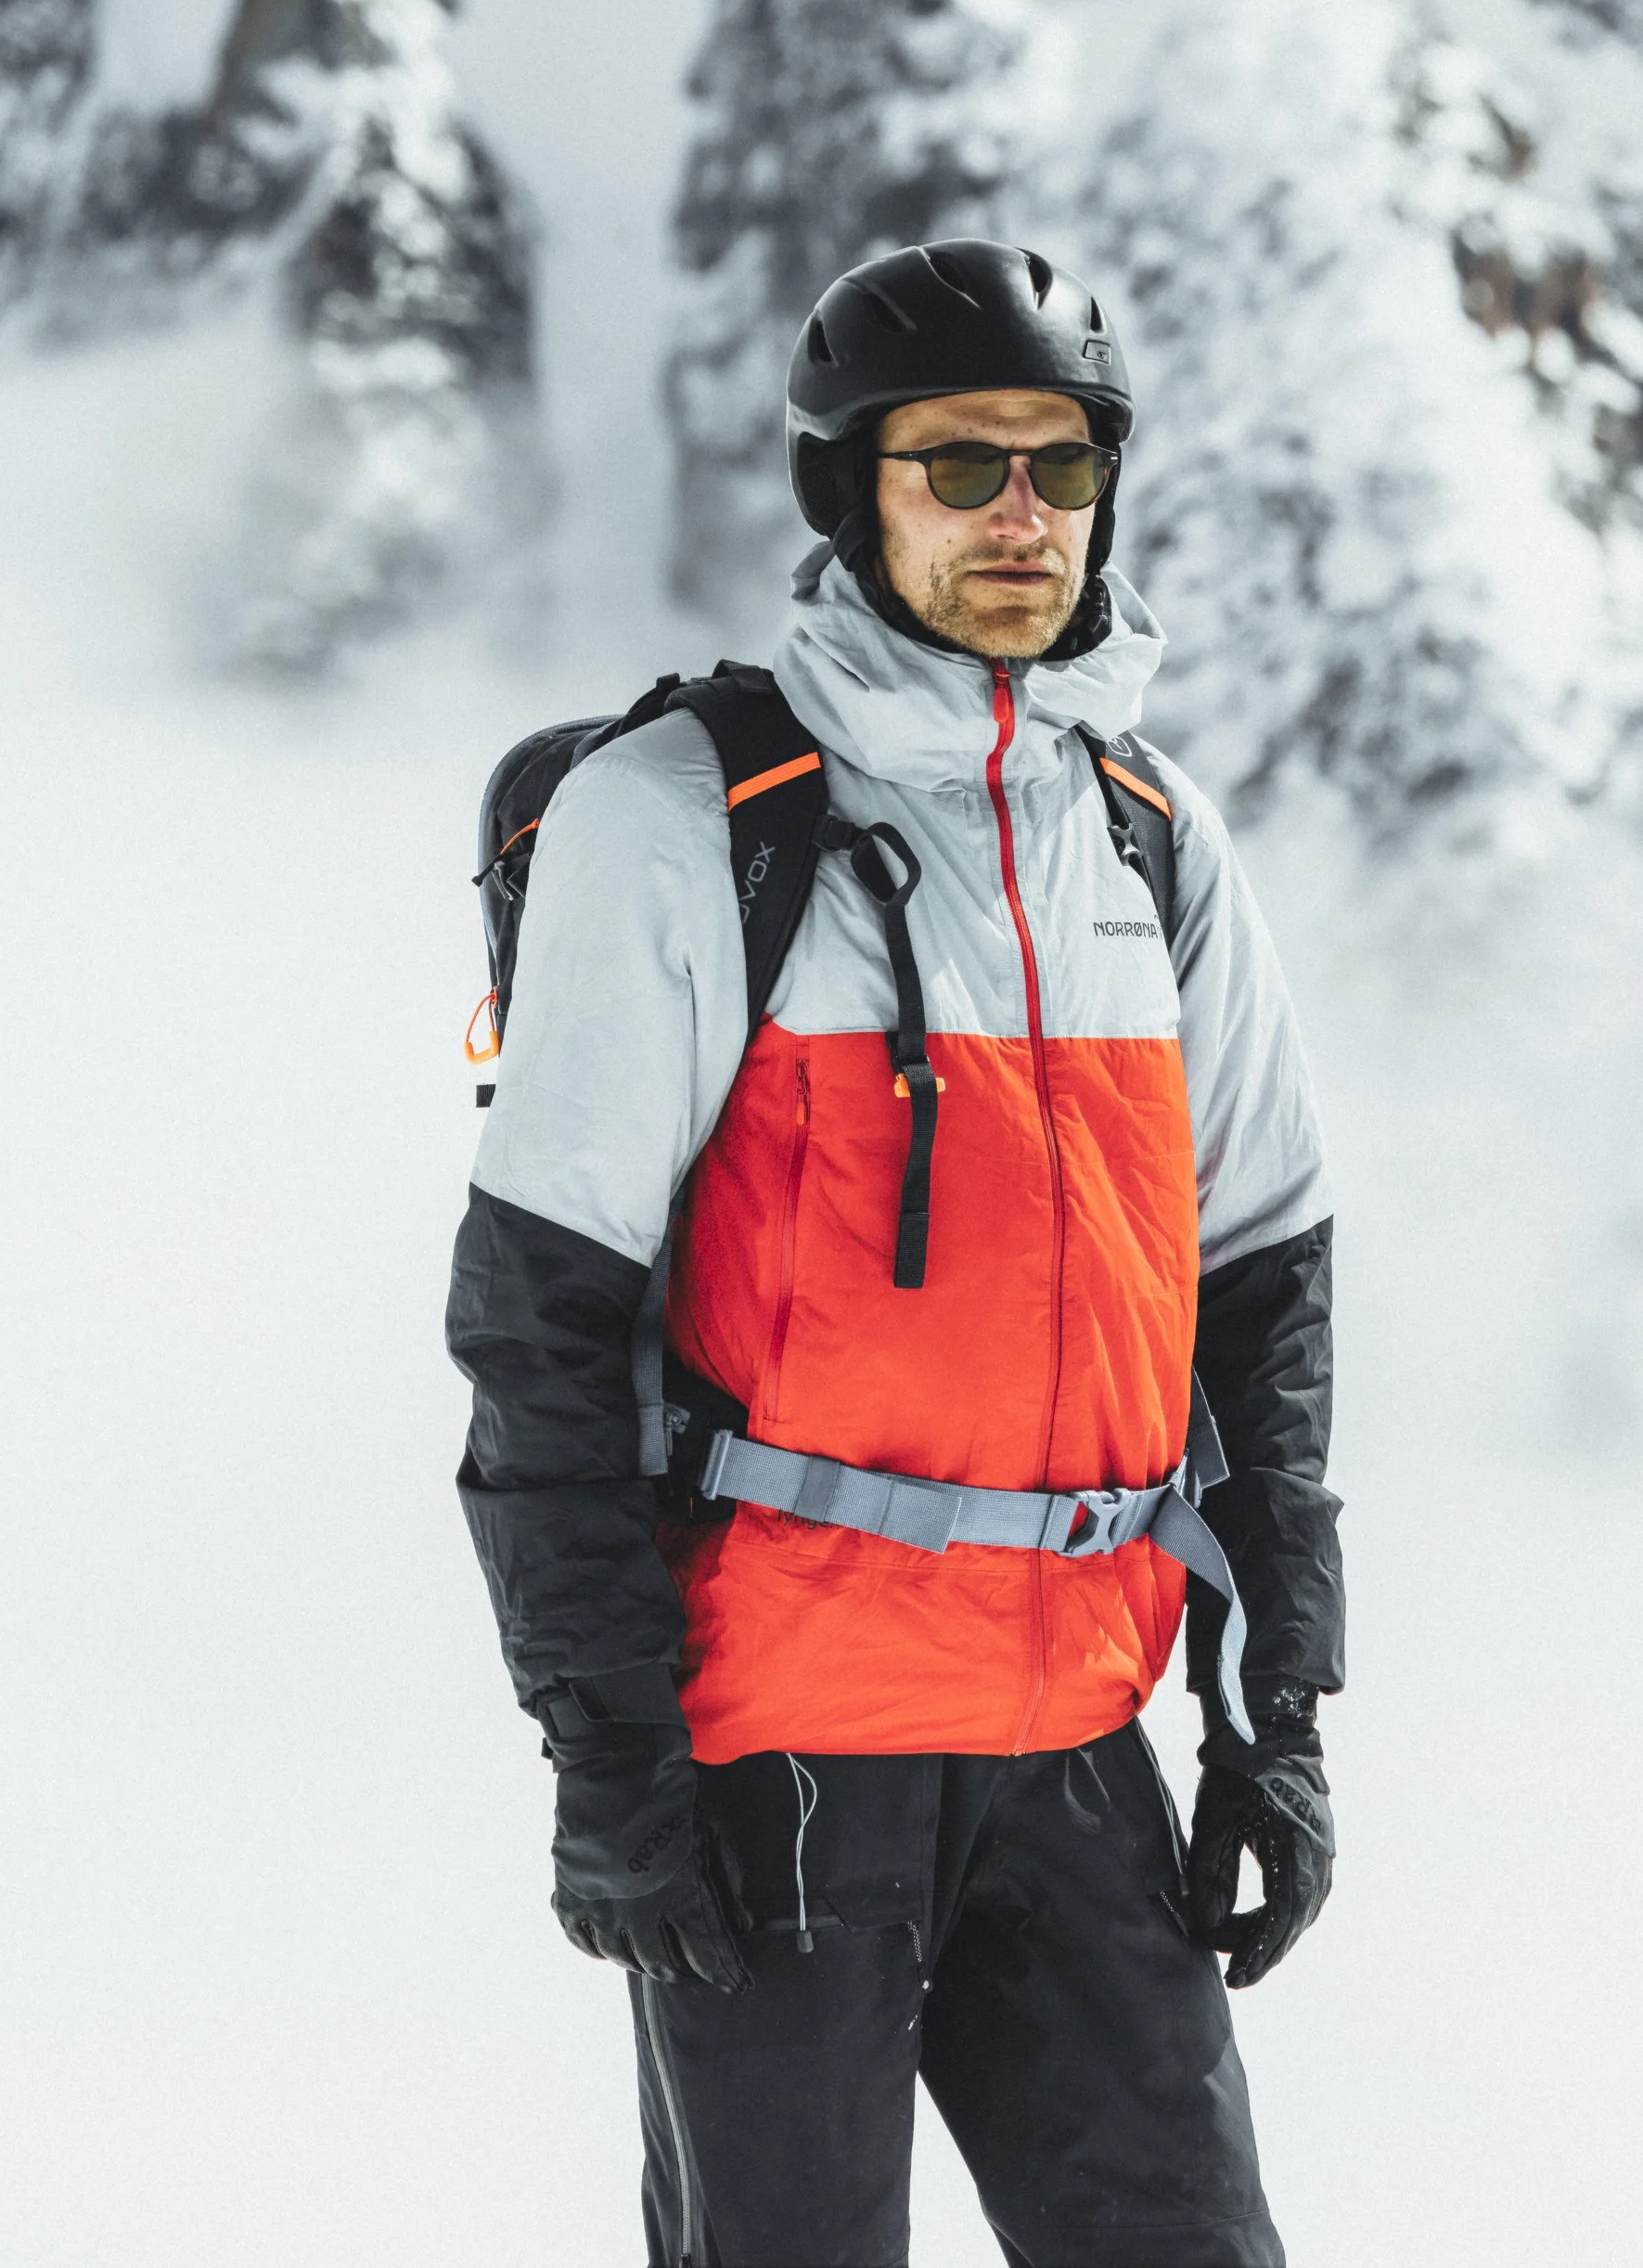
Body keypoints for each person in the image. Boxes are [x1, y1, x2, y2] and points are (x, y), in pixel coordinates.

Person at [447, 238, 1341, 2268]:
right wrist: (606, 1752)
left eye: (1059, 463)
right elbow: (537, 1330)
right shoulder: (682, 817)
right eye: (959, 467)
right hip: (774, 1744)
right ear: (852, 491)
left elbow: (1265, 1297)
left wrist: (1274, 1713)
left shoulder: (1147, 838)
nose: (1019, 513)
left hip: (1072, 1741)